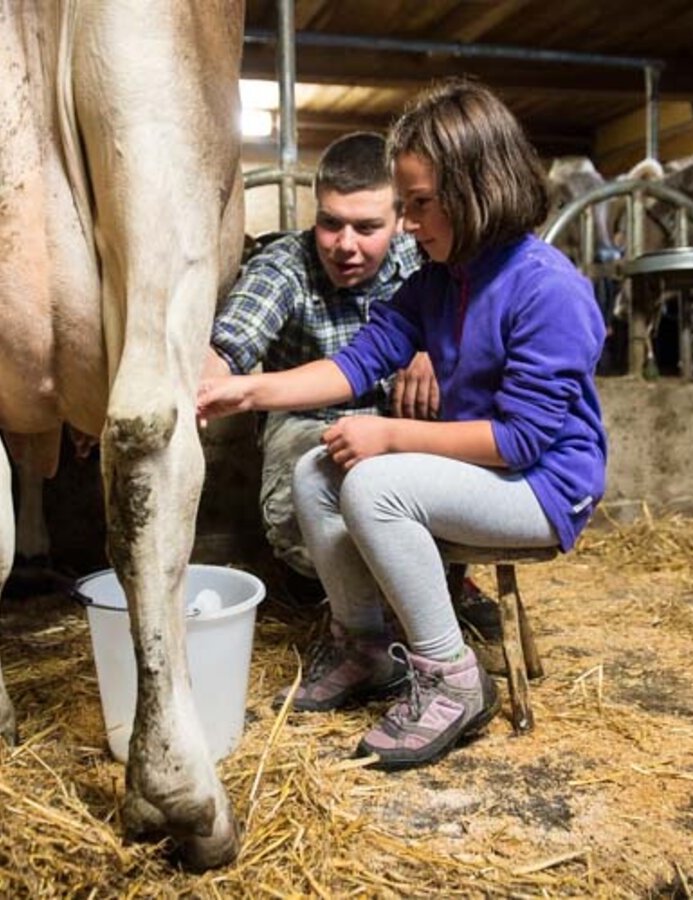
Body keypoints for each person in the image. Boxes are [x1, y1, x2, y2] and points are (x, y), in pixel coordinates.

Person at [197, 80, 608, 770]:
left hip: (543, 488)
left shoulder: (547, 287)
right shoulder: (440, 281)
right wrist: (246, 391)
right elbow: (356, 364)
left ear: (477, 189)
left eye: (419, 205)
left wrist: (389, 435)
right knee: (314, 469)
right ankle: (365, 647)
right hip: (488, 471)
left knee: (374, 485)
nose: (409, 225)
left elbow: (523, 440)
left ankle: (451, 679)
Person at [204, 132, 433, 597]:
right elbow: (229, 345)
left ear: (400, 220)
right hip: (311, 418)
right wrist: (205, 380)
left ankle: (443, 574)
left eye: (367, 228)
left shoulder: (425, 258)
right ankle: (328, 583)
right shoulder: (285, 265)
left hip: (399, 414)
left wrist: (438, 349)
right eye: (330, 223)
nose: (344, 245)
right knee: (309, 470)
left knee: (456, 406)